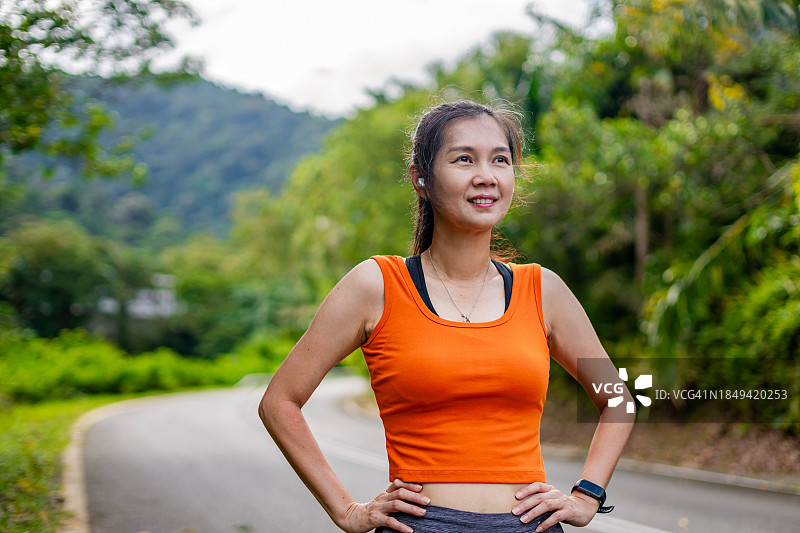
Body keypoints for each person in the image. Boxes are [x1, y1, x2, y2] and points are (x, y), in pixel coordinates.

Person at [258, 99, 635, 533]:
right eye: (463, 159)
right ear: (420, 179)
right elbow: (279, 402)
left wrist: (587, 495)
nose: (486, 176)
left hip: (529, 527)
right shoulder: (377, 285)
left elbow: (618, 399)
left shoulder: (543, 290)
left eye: (500, 160)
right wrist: (347, 511)